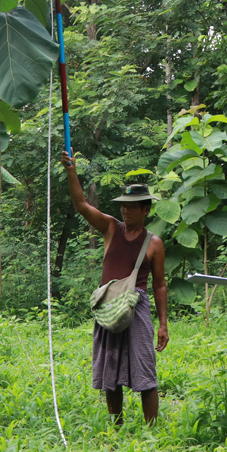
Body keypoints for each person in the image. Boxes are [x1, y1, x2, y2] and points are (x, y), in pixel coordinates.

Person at [59, 150, 169, 425]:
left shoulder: (153, 243)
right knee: (110, 367)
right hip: (108, 308)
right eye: (123, 205)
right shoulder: (110, 228)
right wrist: (72, 172)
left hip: (137, 309)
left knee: (144, 368)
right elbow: (82, 204)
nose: (125, 210)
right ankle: (116, 427)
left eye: (132, 206)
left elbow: (160, 285)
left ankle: (151, 430)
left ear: (146, 210)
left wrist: (163, 323)